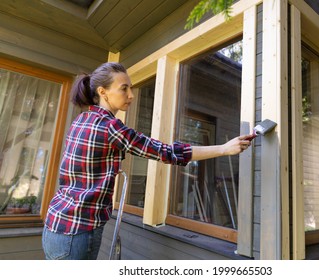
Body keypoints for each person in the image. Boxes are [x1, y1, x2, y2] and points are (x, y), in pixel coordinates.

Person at [42, 62, 251, 260]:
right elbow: (166, 152)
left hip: (55, 225)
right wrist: (224, 149)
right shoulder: (110, 127)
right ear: (102, 92)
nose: (131, 95)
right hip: (77, 233)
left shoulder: (82, 119)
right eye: (124, 88)